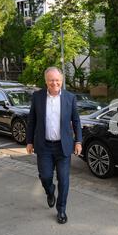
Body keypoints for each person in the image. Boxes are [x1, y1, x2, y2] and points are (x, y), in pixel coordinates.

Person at [26, 67, 82, 224]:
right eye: (51, 80)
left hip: (63, 146)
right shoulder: (37, 97)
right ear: (46, 81)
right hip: (43, 146)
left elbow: (76, 121)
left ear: (61, 81)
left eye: (57, 80)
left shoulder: (70, 98)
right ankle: (50, 192)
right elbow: (32, 121)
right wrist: (29, 141)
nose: (54, 83)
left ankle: (61, 210)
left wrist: (78, 141)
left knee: (64, 180)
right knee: (45, 176)